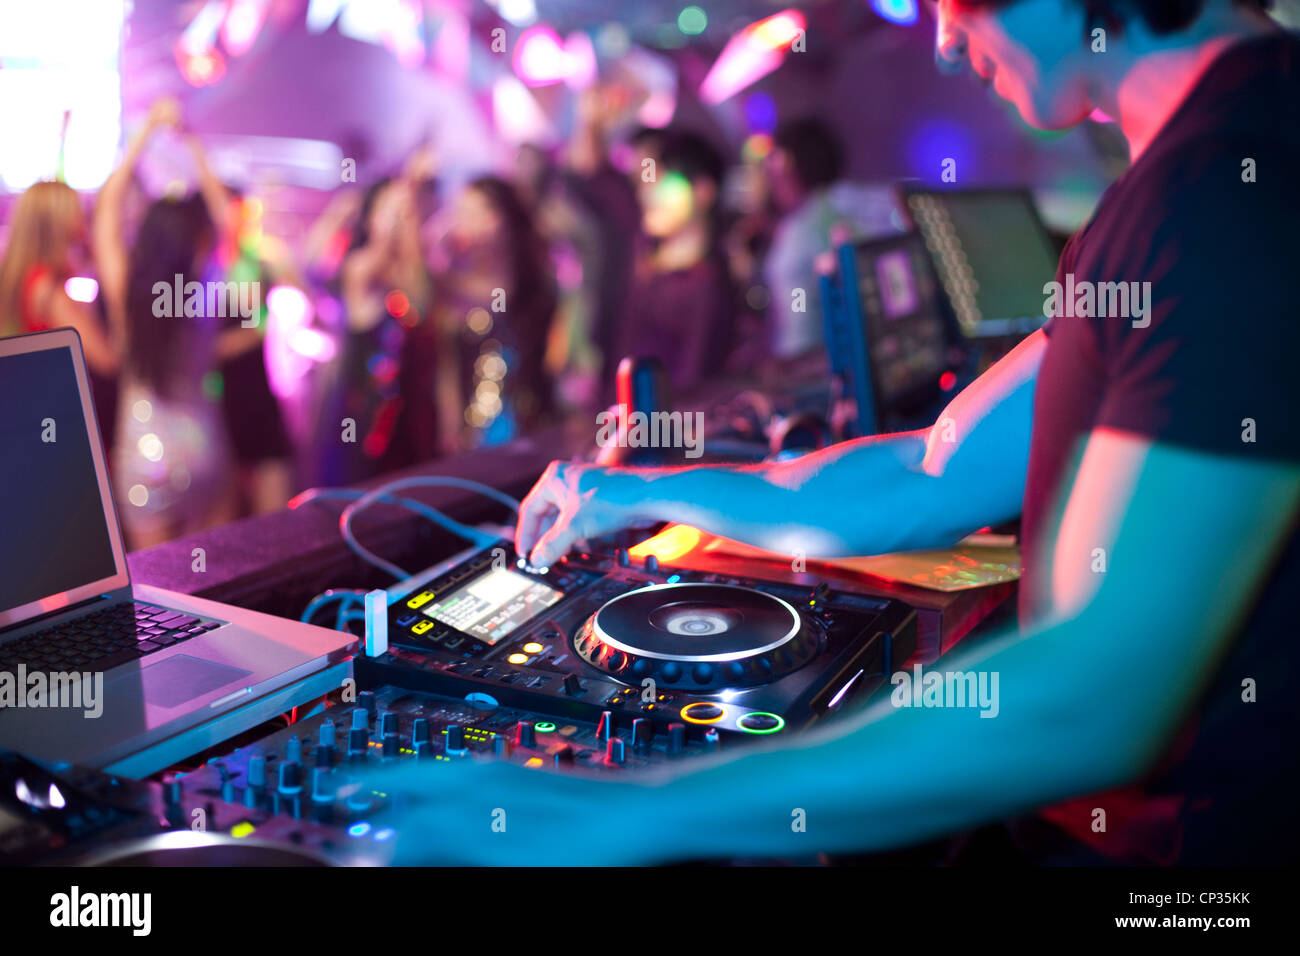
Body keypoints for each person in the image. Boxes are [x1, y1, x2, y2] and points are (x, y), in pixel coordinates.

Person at [371, 0, 1300, 866]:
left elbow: (1101, 698)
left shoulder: (1227, 191)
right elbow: (935, 470)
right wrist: (644, 490)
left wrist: (626, 812)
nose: (940, 39)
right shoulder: (1197, 171)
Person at [96, 99, 238, 547]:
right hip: (204, 448)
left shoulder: (129, 296)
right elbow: (229, 222)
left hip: (144, 452)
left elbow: (106, 211)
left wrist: (145, 134)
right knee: (208, 587)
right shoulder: (202, 291)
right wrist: (192, 143)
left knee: (155, 594)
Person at [431, 175, 557, 446]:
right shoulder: (450, 283)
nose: (464, 222)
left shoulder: (534, 284)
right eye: (462, 212)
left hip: (528, 426)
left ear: (501, 217)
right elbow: (448, 367)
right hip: (469, 432)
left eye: (475, 212)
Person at [762, 118, 901, 359]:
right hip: (891, 354)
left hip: (829, 367)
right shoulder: (871, 201)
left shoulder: (797, 237)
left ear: (787, 166)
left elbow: (798, 333)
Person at [615, 130, 736, 394]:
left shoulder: (705, 285)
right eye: (643, 182)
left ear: (703, 190)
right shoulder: (649, 269)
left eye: (662, 181)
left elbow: (693, 384)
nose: (647, 194)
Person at [0, 180, 120, 375]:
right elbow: (105, 358)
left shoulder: (23, 275)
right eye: (77, 211)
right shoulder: (49, 289)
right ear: (60, 221)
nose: (82, 219)